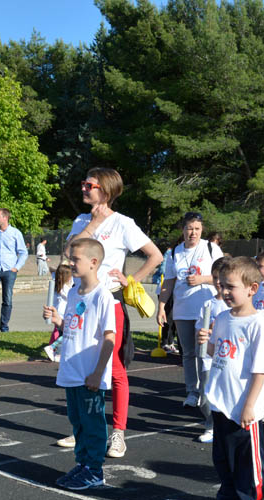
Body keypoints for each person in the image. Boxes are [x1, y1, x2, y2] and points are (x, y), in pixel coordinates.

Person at [60, 167, 163, 455]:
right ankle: (83, 424)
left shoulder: (123, 223)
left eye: (88, 184)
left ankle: (118, 432)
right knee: (80, 360)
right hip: (82, 300)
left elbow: (155, 255)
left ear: (105, 190)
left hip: (110, 300)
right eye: (83, 183)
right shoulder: (81, 220)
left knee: (114, 368)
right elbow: (68, 254)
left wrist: (131, 280)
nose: (83, 188)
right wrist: (91, 225)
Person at [195, 256, 264, 500]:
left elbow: (261, 370)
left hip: (243, 409)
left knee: (246, 467)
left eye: (231, 287)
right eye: (222, 286)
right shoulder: (223, 317)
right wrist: (208, 341)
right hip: (221, 405)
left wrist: (250, 406)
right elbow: (220, 354)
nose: (225, 292)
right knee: (223, 464)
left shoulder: (257, 325)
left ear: (252, 288)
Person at [43, 238, 117, 490]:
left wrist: (98, 372)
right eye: (70, 258)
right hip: (72, 371)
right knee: (77, 422)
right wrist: (59, 320)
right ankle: (83, 464)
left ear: (93, 262)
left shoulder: (103, 296)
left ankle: (94, 469)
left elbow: (109, 337)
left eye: (76, 259)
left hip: (89, 374)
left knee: (93, 423)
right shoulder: (74, 291)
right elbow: (76, 327)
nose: (70, 263)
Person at [157, 212, 222, 408]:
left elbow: (225, 274)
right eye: (189, 229)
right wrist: (161, 306)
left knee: (206, 353)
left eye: (197, 229)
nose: (193, 233)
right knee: (188, 353)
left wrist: (202, 279)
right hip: (182, 308)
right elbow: (168, 282)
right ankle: (192, 392)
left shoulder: (211, 248)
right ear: (183, 230)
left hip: (206, 308)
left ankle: (207, 392)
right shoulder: (175, 252)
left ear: (201, 230)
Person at [195, 257, 230, 443]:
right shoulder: (209, 304)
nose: (218, 282)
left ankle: (227, 424)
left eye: (222, 278)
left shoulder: (234, 303)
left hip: (227, 357)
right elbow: (200, 328)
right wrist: (206, 332)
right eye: (215, 277)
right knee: (206, 392)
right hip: (209, 357)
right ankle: (210, 425)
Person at [43, 264, 74, 363]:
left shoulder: (56, 283)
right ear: (69, 277)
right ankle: (53, 348)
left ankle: (53, 349)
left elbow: (52, 270)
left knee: (57, 333)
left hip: (56, 312)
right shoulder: (66, 289)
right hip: (62, 313)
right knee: (65, 334)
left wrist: (54, 270)